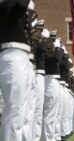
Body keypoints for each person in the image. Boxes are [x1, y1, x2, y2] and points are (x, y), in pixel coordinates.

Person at [0, 0, 35, 141]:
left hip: (23, 56)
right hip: (12, 54)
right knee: (14, 110)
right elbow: (18, 7)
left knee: (24, 111)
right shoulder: (5, 6)